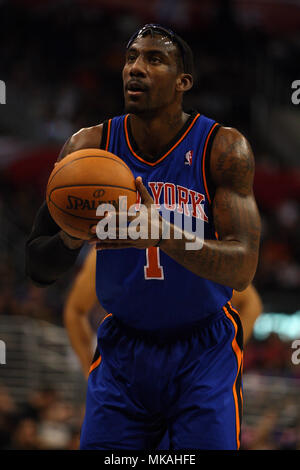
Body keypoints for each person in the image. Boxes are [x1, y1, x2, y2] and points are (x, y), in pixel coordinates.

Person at [26, 24, 261, 450]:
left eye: (154, 59)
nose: (136, 67)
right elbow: (38, 266)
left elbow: (243, 268)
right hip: (123, 350)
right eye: (131, 57)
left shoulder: (222, 148)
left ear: (183, 82)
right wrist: (72, 237)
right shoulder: (88, 148)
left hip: (203, 350)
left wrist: (165, 236)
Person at [64, 248, 263, 379]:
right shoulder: (110, 247)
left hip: (187, 369)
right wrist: (90, 372)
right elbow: (74, 311)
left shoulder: (189, 245)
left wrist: (223, 356)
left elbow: (251, 304)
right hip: (132, 371)